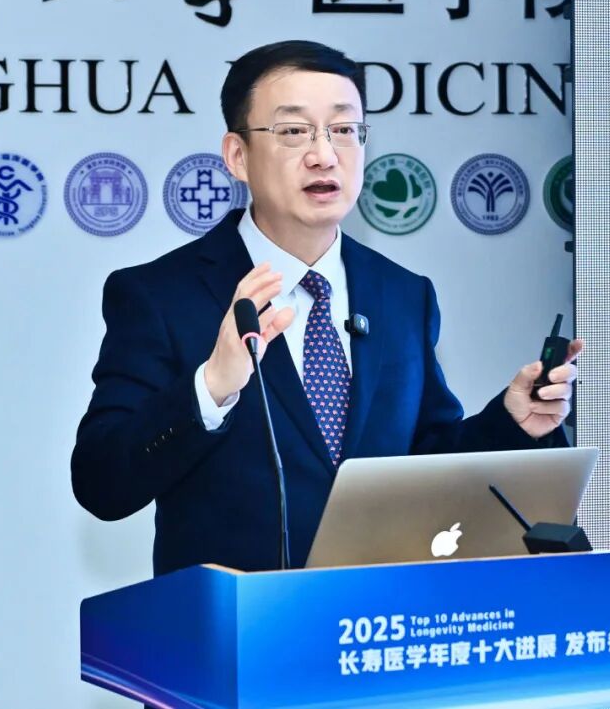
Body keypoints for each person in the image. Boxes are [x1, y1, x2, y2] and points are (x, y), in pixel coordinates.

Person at [71, 40, 583, 575]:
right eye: (294, 131)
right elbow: (102, 483)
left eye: (343, 130)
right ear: (238, 156)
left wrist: (511, 423)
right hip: (239, 619)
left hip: (381, 612)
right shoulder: (161, 295)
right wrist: (211, 387)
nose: (324, 154)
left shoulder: (402, 295)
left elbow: (428, 461)